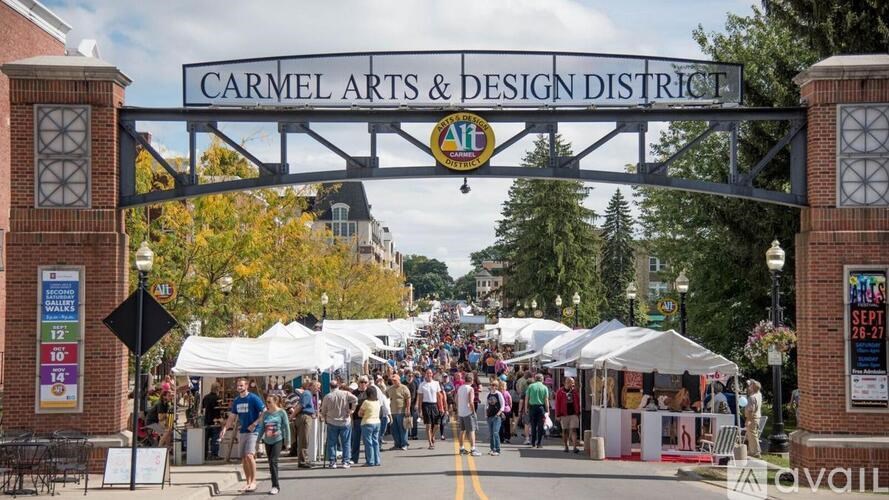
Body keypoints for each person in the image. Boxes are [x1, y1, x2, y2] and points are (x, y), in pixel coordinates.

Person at [220, 378, 266, 493]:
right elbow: (232, 417)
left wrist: (254, 423)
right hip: (243, 431)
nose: (239, 387)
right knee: (244, 458)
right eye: (238, 386)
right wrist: (225, 428)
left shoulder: (253, 398)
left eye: (241, 385)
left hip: (254, 430)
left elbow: (264, 412)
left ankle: (254, 481)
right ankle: (248, 482)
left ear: (246, 386)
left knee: (250, 455)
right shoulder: (236, 401)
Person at [320, 378, 357, 469]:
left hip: (332, 421)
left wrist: (324, 417)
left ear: (330, 387)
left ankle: (332, 462)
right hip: (344, 421)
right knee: (346, 442)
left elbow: (323, 410)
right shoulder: (345, 393)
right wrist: (352, 410)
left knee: (332, 442)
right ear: (338, 386)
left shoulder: (327, 396)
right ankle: (346, 461)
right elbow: (355, 399)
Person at [261, 395, 290, 495]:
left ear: (275, 402)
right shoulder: (265, 414)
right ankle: (274, 481)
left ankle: (275, 486)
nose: (267, 404)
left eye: (269, 402)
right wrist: (257, 442)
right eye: (266, 402)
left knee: (273, 461)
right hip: (267, 441)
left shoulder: (281, 412)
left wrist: (288, 442)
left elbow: (286, 427)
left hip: (278, 440)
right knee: (270, 463)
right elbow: (262, 428)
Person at [290, 380, 317, 468]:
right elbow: (300, 406)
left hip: (305, 416)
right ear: (311, 386)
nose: (318, 389)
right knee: (303, 439)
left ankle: (304, 459)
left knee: (305, 439)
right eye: (317, 387)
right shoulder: (307, 394)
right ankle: (302, 461)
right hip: (304, 417)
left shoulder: (307, 394)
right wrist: (292, 416)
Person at [416, 368, 442, 450]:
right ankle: (430, 443)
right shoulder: (422, 384)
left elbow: (439, 396)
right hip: (425, 405)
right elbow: (420, 398)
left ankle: (433, 435)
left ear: (432, 374)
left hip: (434, 405)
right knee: (428, 425)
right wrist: (419, 410)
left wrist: (441, 407)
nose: (429, 374)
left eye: (430, 373)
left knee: (437, 424)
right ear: (425, 374)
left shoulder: (436, 383)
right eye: (427, 373)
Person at [456, 373, 481, 456]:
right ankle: (473, 449)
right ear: (472, 380)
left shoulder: (460, 388)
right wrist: (473, 411)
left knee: (462, 431)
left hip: (461, 412)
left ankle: (461, 448)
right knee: (471, 431)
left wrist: (458, 408)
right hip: (468, 412)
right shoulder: (470, 389)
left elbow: (456, 399)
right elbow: (471, 402)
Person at [555, 377, 581, 453]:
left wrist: (578, 412)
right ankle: (566, 446)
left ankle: (575, 447)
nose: (573, 384)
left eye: (573, 382)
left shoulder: (575, 391)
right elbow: (557, 404)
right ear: (566, 383)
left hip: (573, 414)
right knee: (565, 430)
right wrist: (557, 414)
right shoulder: (560, 391)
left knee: (574, 429)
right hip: (564, 414)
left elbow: (578, 402)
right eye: (571, 382)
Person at [387, 373, 412, 450]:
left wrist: (408, 409)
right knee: (394, 429)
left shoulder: (404, 388)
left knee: (403, 428)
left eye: (395, 380)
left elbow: (408, 398)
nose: (394, 382)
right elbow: (386, 397)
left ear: (399, 380)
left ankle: (404, 444)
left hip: (401, 411)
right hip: (392, 412)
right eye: (392, 380)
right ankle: (397, 444)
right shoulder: (390, 389)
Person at [359, 386, 382, 466]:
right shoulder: (377, 402)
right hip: (377, 422)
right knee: (376, 442)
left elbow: (360, 413)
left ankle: (370, 461)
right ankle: (377, 460)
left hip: (367, 422)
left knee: (369, 443)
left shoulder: (366, 402)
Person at [526, 373, 550, 448]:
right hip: (541, 408)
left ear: (535, 379)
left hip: (532, 407)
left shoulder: (530, 386)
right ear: (542, 379)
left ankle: (533, 442)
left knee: (533, 425)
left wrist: (526, 408)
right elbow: (546, 400)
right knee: (540, 426)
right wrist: (548, 410)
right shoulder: (545, 387)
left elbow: (527, 398)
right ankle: (539, 443)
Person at [350, 376, 369, 464]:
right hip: (357, 419)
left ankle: (368, 458)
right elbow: (350, 405)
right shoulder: (354, 393)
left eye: (365, 382)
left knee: (367, 440)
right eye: (361, 382)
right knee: (355, 440)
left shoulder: (370, 392)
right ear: (358, 383)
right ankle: (354, 458)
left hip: (367, 419)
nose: (363, 384)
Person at [201, 383, 222, 459]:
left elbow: (202, 409)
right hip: (215, 420)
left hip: (206, 420)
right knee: (215, 439)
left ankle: (205, 455)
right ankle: (214, 455)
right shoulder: (217, 398)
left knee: (205, 439)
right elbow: (219, 409)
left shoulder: (205, 397)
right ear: (217, 389)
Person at [485, 381, 505, 456]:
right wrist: (486, 414)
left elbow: (503, 405)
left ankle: (497, 449)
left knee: (495, 433)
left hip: (497, 416)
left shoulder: (498, 394)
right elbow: (486, 405)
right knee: (491, 434)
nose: (492, 386)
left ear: (497, 386)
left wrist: (498, 414)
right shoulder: (488, 394)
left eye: (494, 385)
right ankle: (492, 448)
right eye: (491, 385)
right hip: (489, 416)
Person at [745, 379, 763, 458]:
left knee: (752, 435)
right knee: (753, 434)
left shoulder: (752, 398)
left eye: (750, 385)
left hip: (752, 418)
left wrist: (748, 420)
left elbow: (750, 410)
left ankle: (756, 452)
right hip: (757, 417)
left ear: (753, 387)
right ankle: (752, 451)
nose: (749, 387)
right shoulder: (759, 394)